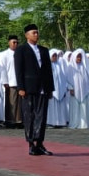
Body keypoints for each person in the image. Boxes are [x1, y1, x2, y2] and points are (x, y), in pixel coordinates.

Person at [14, 24, 54, 156]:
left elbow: (48, 71)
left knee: (41, 117)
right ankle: (31, 144)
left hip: (43, 88)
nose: (36, 35)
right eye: (33, 33)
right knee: (29, 116)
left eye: (37, 32)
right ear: (26, 35)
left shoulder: (44, 50)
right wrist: (21, 87)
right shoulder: (21, 50)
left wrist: (50, 88)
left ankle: (40, 143)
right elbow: (18, 70)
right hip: (29, 88)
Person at [2, 35, 21, 127]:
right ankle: (10, 121)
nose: (15, 44)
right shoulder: (4, 54)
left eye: (17, 42)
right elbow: (3, 69)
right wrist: (5, 82)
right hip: (10, 82)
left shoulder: (20, 53)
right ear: (9, 43)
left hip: (20, 82)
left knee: (20, 103)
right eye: (14, 42)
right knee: (12, 102)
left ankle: (19, 121)